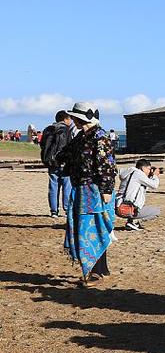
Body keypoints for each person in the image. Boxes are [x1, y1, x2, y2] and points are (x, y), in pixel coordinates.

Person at [58, 102, 116, 284]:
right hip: (82, 190)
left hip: (94, 190)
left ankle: (95, 272)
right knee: (90, 228)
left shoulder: (100, 137)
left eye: (75, 117)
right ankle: (100, 269)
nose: (73, 120)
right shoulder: (81, 137)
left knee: (91, 229)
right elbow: (65, 155)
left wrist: (106, 190)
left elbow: (106, 165)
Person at [41, 110, 74, 218]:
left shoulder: (48, 129)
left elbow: (42, 145)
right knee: (66, 186)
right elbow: (69, 146)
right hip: (64, 162)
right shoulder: (66, 130)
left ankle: (54, 211)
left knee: (53, 186)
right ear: (65, 119)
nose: (71, 121)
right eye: (70, 119)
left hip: (51, 162)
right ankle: (66, 209)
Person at [117, 159, 163, 231]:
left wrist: (150, 176)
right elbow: (154, 185)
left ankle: (131, 222)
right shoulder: (138, 174)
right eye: (149, 169)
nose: (150, 171)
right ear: (143, 168)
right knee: (156, 211)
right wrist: (155, 175)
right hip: (128, 209)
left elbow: (142, 188)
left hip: (119, 206)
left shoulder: (130, 173)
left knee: (141, 205)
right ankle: (134, 222)